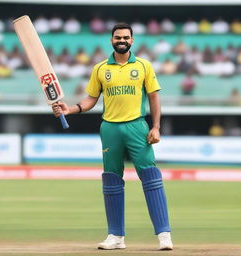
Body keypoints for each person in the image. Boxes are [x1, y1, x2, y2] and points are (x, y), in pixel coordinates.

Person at [52, 23, 173, 251]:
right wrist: (70, 109)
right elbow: (90, 100)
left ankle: (164, 234)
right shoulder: (100, 69)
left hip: (137, 126)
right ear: (111, 40)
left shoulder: (143, 66)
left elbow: (154, 98)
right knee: (111, 181)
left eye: (126, 37)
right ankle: (116, 236)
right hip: (110, 128)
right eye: (118, 37)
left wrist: (155, 127)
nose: (122, 40)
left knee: (151, 177)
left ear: (132, 40)